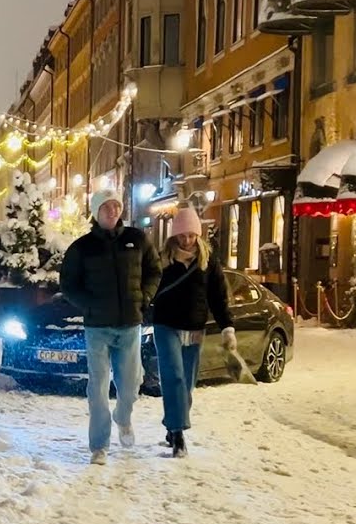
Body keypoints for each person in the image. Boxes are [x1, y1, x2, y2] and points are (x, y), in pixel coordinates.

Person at [59, 188, 161, 466]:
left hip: (129, 324)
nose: (112, 211)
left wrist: (144, 297)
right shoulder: (82, 247)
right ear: (96, 212)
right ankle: (99, 445)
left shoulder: (137, 239)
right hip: (97, 328)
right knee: (98, 389)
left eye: (116, 206)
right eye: (106, 207)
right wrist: (88, 305)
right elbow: (68, 284)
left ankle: (123, 418)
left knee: (130, 386)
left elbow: (154, 270)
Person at [151, 208, 235, 458]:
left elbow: (218, 298)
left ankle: (172, 424)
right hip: (166, 325)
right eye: (182, 235)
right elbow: (147, 290)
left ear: (198, 235)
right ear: (174, 236)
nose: (186, 240)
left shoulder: (208, 262)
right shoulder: (162, 261)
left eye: (191, 235)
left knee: (187, 383)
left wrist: (227, 327)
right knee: (174, 376)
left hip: (195, 327)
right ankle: (178, 434)